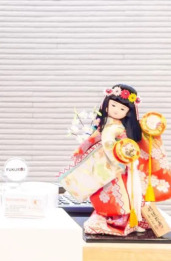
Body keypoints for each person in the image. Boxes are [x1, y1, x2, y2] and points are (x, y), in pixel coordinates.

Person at [62, 84, 171, 236]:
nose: (116, 110)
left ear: (128, 112)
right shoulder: (106, 126)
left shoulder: (125, 126)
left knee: (131, 191)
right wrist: (81, 150)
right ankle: (114, 220)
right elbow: (97, 140)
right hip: (110, 165)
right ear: (106, 105)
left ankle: (132, 219)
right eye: (113, 105)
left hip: (126, 165)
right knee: (111, 194)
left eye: (122, 109)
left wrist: (150, 129)